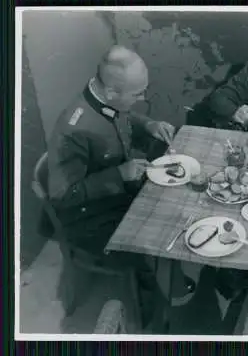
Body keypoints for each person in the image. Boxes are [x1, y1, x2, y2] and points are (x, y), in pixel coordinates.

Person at [47, 45, 194, 327]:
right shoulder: (73, 128)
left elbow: (122, 118)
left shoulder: (107, 98)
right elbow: (61, 195)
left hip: (117, 195)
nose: (144, 98)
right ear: (112, 92)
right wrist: (118, 174)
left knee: (174, 202)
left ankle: (169, 273)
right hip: (89, 218)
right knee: (152, 240)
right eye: (138, 94)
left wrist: (149, 125)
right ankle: (151, 315)